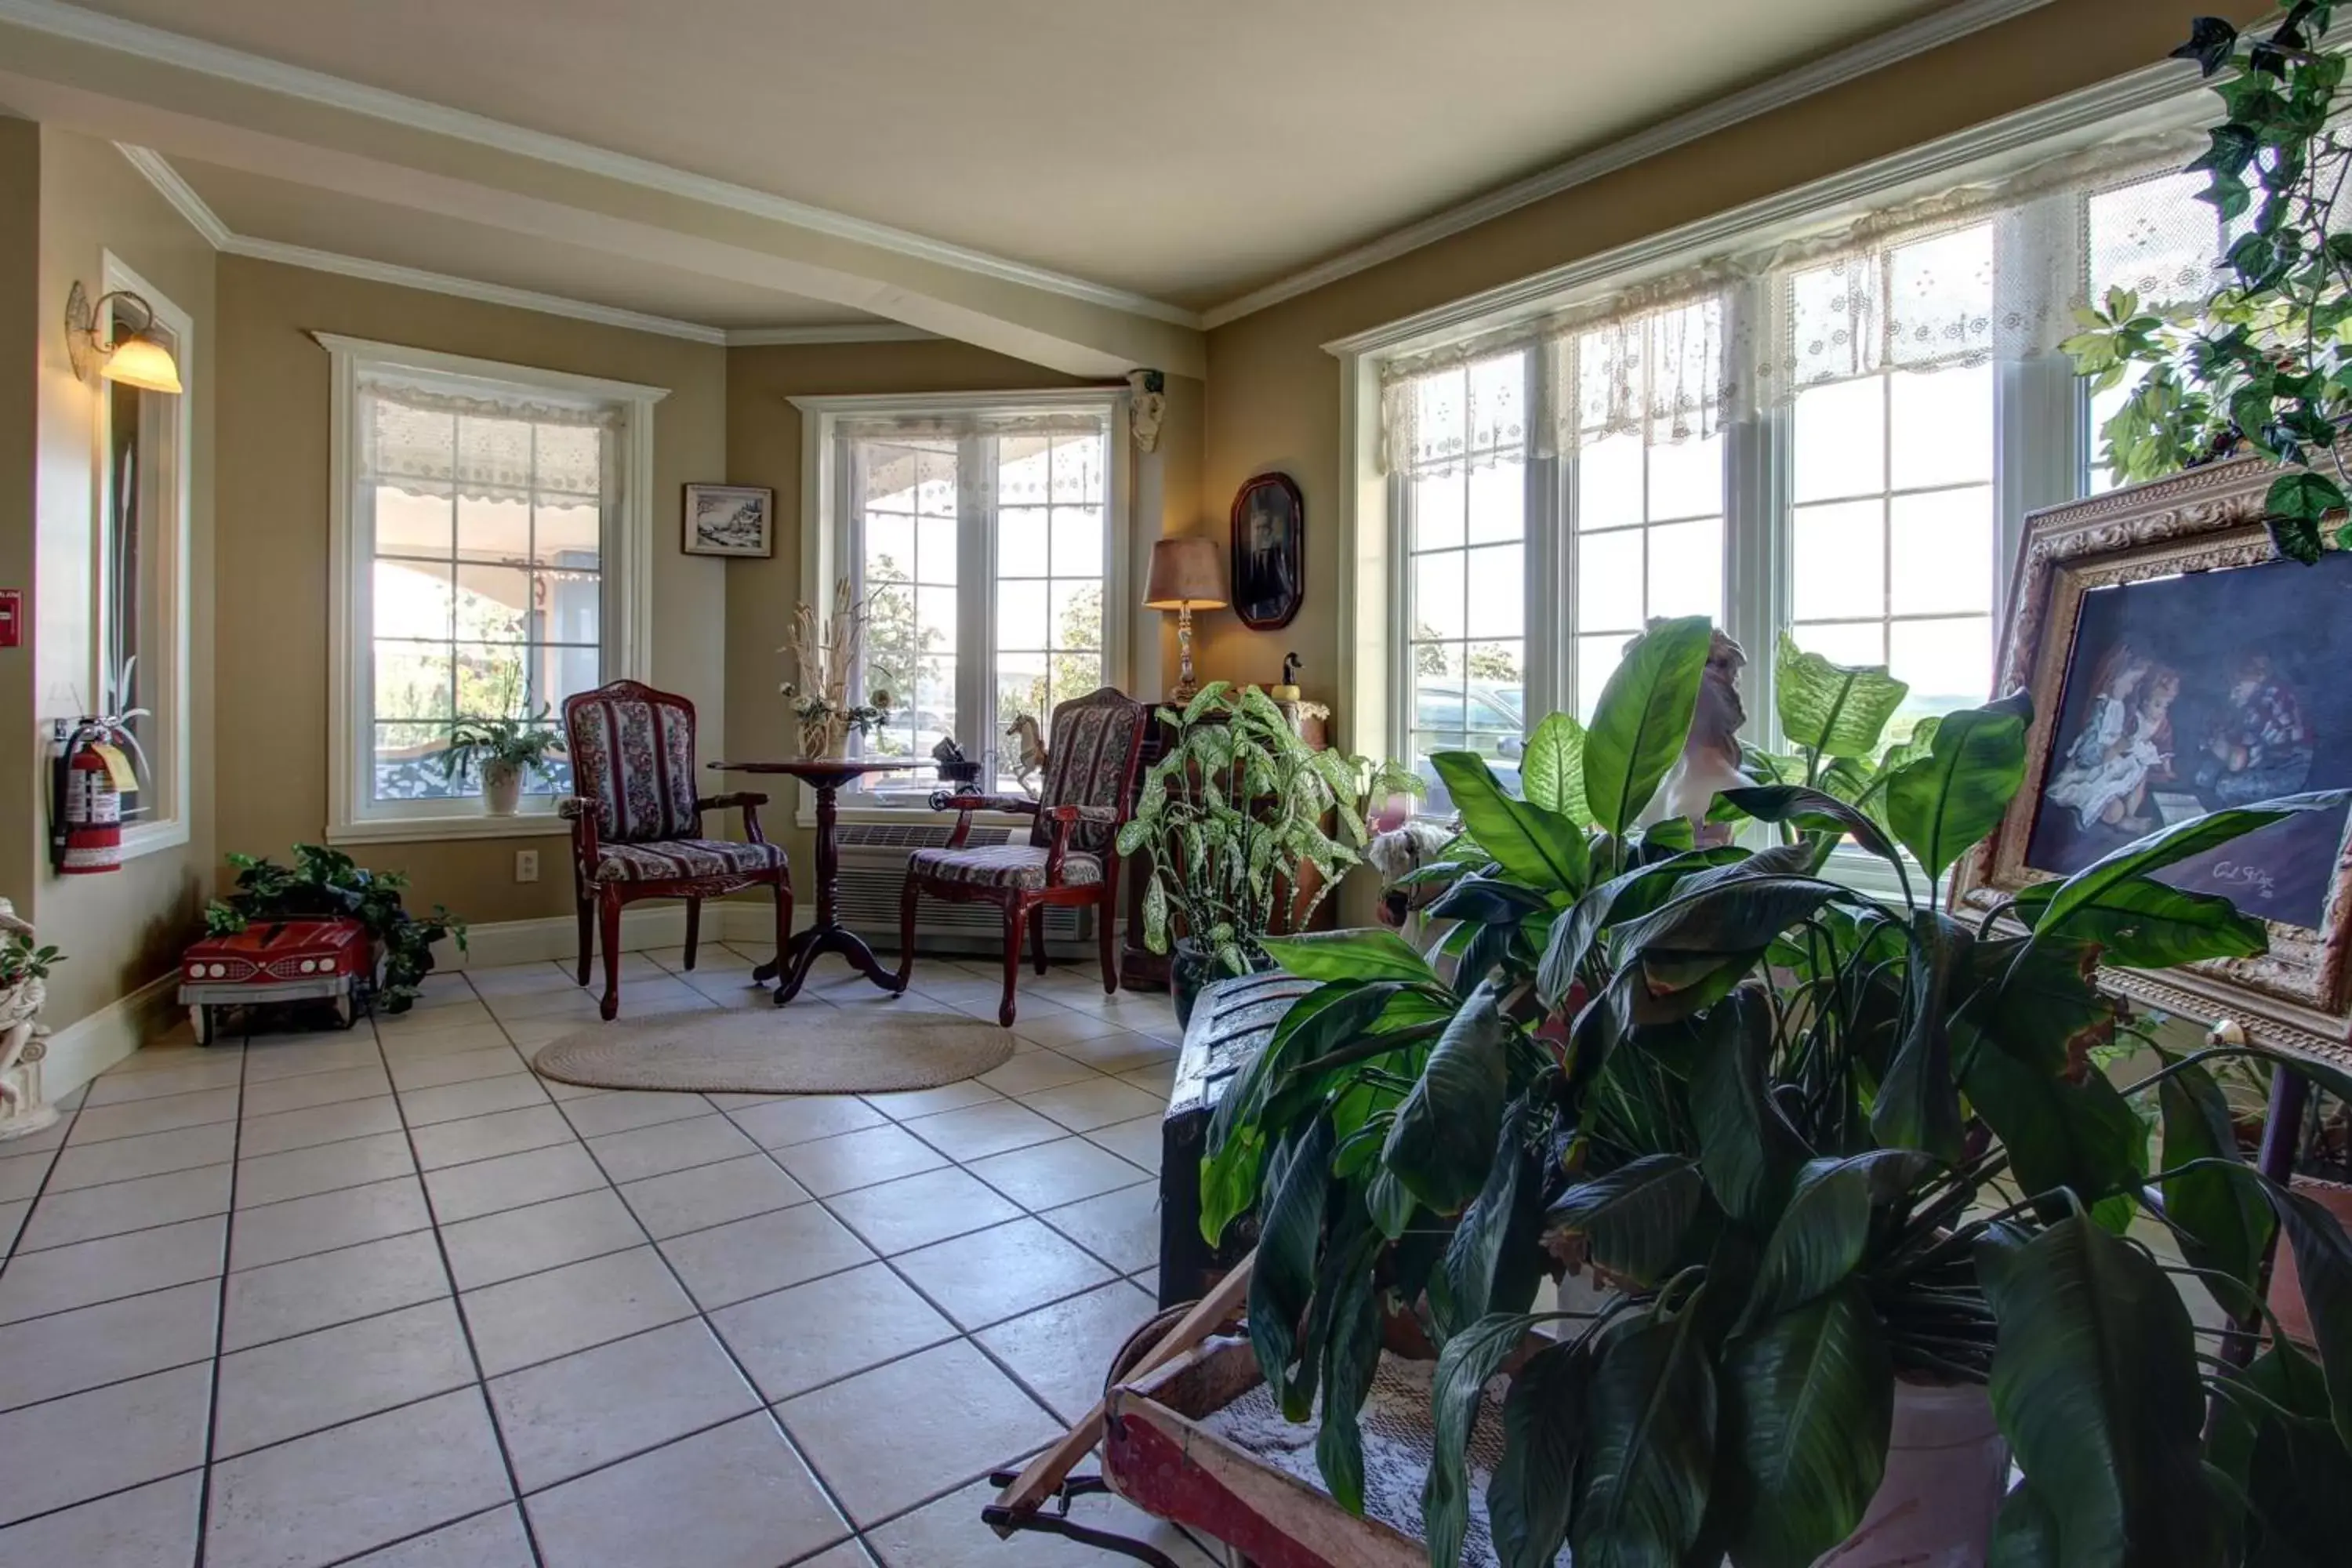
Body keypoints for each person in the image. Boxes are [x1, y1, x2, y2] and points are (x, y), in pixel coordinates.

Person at [2046, 644, 2161, 833]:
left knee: (2141, 769)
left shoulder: (2120, 705)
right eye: (2132, 682)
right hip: (2089, 773)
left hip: (2110, 766)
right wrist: (2115, 750)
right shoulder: (2100, 707)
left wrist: (2128, 747)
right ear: (2115, 675)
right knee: (2114, 810)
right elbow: (2086, 756)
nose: (2132, 689)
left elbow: (2118, 737)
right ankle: (2121, 820)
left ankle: (2130, 817)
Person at [2196, 648, 2313, 808]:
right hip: (2271, 764)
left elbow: (2240, 761)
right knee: (2208, 777)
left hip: (2289, 772)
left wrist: (2222, 748)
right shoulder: (2261, 696)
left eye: (2237, 686)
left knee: (2226, 787)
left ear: (2258, 677)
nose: (2232, 695)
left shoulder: (2269, 699)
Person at [1238, 496, 1296, 622]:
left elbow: (1287, 593)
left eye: (1267, 528)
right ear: (1251, 532)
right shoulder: (1244, 565)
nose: (1264, 533)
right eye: (1259, 528)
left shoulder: (1281, 560)